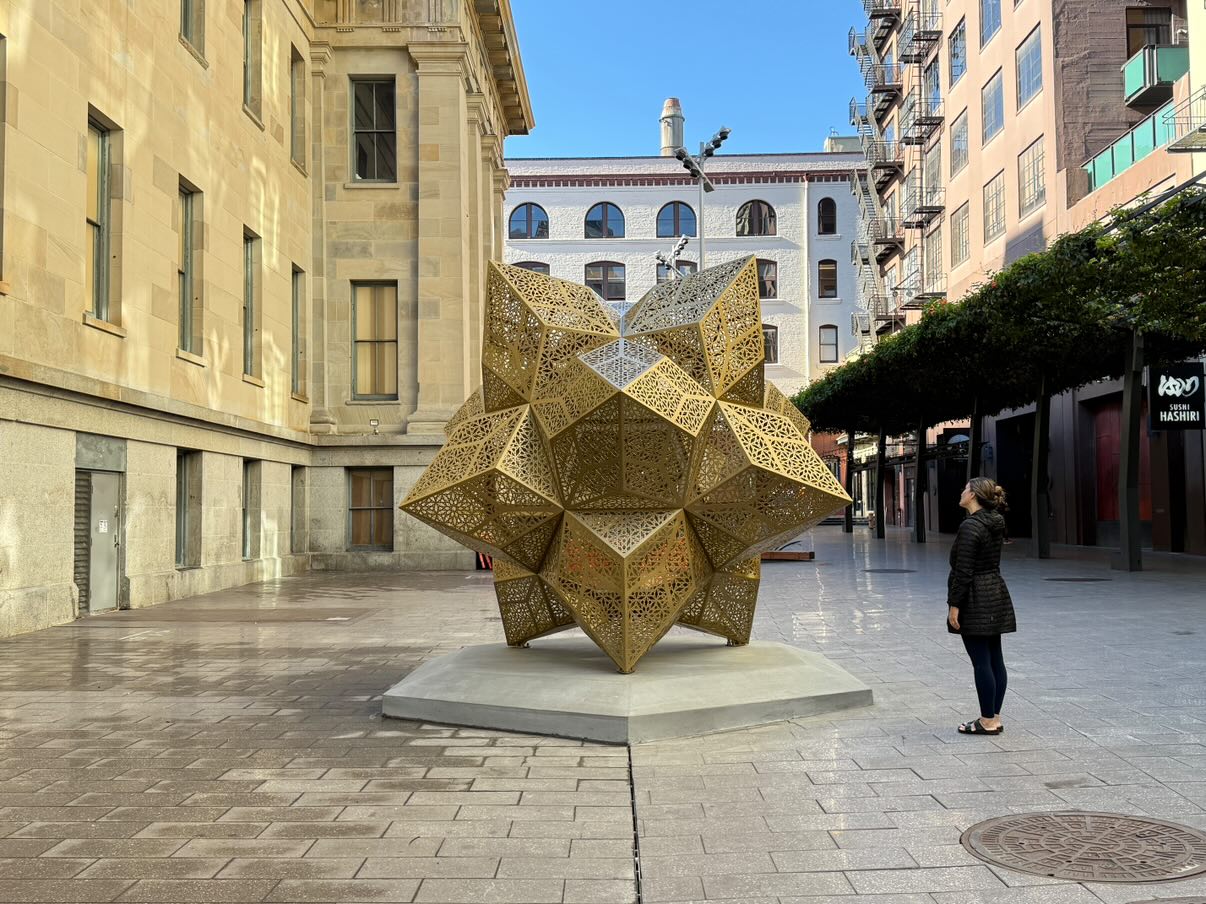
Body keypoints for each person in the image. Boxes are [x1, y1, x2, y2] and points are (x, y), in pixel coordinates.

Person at [947, 477, 1016, 735]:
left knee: (981, 662)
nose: (962, 492)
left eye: (965, 488)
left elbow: (964, 570)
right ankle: (994, 717)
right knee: (995, 658)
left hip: (975, 597)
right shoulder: (996, 521)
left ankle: (986, 721)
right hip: (995, 593)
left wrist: (955, 605)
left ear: (973, 495)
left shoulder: (970, 526)